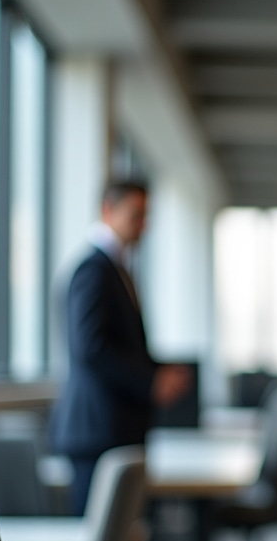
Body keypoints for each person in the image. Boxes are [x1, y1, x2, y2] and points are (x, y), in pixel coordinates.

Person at [49, 179, 191, 515]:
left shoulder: (116, 269)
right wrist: (151, 382)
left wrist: (157, 371)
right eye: (136, 215)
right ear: (108, 211)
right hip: (98, 432)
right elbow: (90, 348)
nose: (144, 225)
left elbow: (120, 345)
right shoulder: (93, 270)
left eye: (146, 216)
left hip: (114, 429)